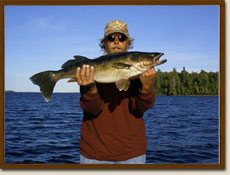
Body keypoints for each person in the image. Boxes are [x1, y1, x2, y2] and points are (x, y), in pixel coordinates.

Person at [75, 20, 156, 164]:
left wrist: (147, 88)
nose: (116, 42)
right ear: (104, 43)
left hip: (132, 154)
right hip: (94, 154)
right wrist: (91, 88)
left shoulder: (138, 75)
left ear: (128, 43)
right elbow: (92, 110)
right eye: (111, 38)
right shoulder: (89, 71)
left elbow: (139, 109)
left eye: (122, 38)